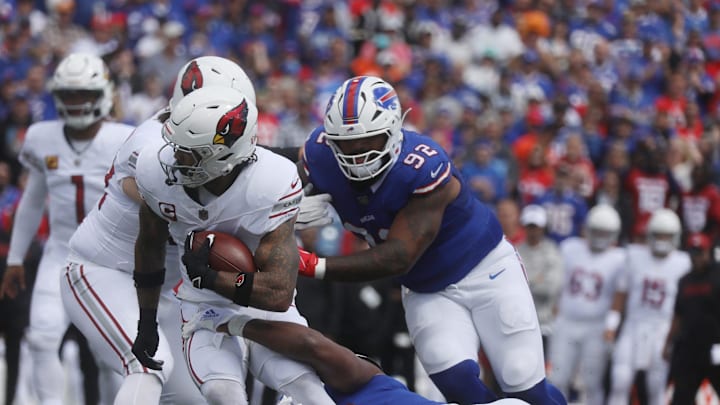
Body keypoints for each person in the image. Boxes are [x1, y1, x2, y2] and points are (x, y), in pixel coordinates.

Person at [296, 75, 566, 404]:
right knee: (457, 383)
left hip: (485, 269)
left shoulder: (423, 165)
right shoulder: (319, 154)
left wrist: (312, 264)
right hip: (427, 288)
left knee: (524, 382)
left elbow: (398, 255)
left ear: (394, 131)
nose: (356, 155)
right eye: (345, 144)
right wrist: (282, 195)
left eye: (368, 142)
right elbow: (276, 164)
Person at [59, 55, 257, 404]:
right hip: (103, 272)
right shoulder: (152, 145)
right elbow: (167, 201)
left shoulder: (221, 152)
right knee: (147, 369)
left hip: (164, 293)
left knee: (204, 397)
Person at [131, 85, 334, 405]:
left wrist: (211, 276)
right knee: (222, 394)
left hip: (265, 309)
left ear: (223, 156)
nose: (174, 156)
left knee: (311, 394)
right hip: (204, 309)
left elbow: (278, 294)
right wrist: (146, 322)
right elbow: (149, 245)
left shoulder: (271, 181)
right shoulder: (156, 171)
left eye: (189, 151)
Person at [0, 52, 133, 405]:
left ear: (102, 94)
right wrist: (15, 258)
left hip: (109, 262)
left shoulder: (126, 138)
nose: (76, 102)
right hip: (59, 253)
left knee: (113, 355)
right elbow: (32, 198)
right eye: (70, 94)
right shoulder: (41, 137)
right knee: (42, 339)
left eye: (84, 94)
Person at [181, 306, 533, 405]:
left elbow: (310, 346)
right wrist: (234, 325)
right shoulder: (361, 381)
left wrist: (235, 325)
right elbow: (309, 345)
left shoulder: (358, 383)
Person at [605, 208, 691, 405]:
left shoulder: (683, 262)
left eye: (667, 235)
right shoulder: (634, 255)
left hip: (663, 327)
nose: (662, 240)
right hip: (634, 324)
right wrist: (611, 325)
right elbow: (621, 292)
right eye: (658, 234)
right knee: (620, 378)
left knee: (656, 384)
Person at [549, 204, 626, 405]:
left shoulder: (619, 258)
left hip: (596, 325)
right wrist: (554, 310)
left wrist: (611, 325)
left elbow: (619, 294)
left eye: (605, 232)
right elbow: (558, 283)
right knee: (557, 378)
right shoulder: (570, 247)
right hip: (567, 321)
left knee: (592, 383)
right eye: (597, 230)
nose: (600, 236)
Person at [663, 233, 720, 405]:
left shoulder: (718, 275)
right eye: (693, 253)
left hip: (715, 347)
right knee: (681, 397)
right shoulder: (684, 281)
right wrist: (668, 343)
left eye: (700, 252)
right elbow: (678, 314)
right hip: (689, 348)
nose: (697, 258)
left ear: (708, 252)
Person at [515, 204, 563, 353]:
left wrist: (527, 281)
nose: (533, 231)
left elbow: (551, 288)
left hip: (544, 324)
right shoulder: (515, 251)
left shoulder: (552, 251)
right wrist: (538, 279)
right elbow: (512, 287)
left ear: (543, 228)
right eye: (530, 226)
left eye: (536, 227)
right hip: (519, 322)